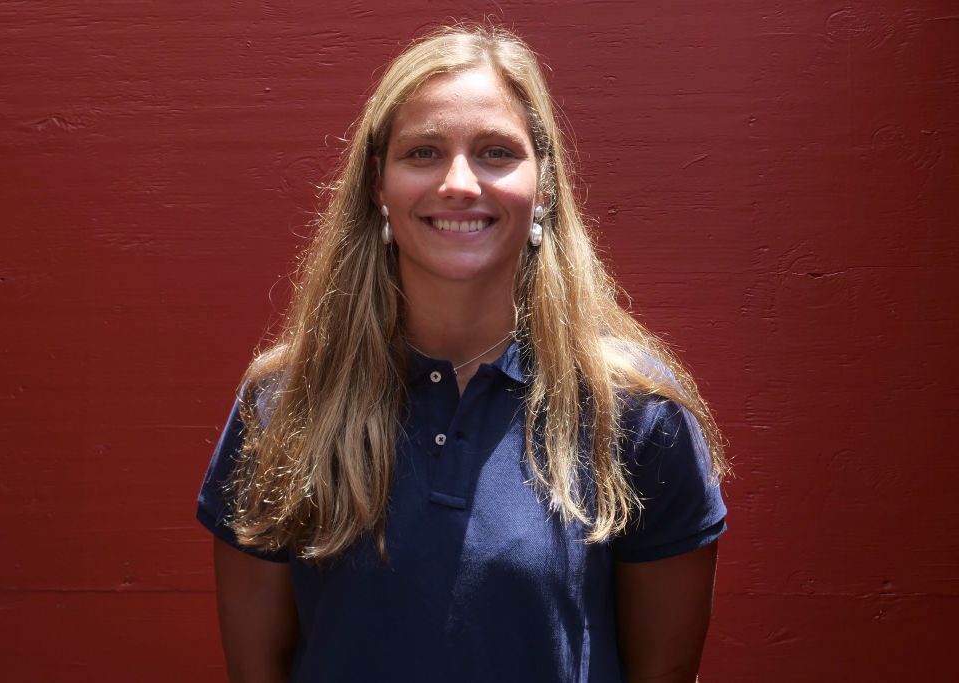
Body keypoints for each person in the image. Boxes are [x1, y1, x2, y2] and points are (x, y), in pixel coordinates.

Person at [197, 24, 729, 683]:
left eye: (495, 153)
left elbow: (666, 669)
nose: (459, 183)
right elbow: (256, 668)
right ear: (377, 183)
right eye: (423, 152)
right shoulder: (285, 402)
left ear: (545, 183)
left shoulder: (637, 412)